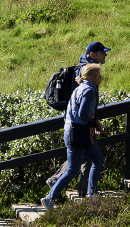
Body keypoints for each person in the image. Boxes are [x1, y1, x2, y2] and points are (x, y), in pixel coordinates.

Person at [46, 41, 111, 197]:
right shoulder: (86, 72)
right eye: (102, 52)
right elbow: (83, 104)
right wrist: (91, 124)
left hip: (78, 123)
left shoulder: (87, 70)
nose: (106, 55)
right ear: (92, 55)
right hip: (81, 124)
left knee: (83, 155)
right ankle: (85, 192)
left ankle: (63, 184)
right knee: (89, 157)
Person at [42, 63, 104, 208]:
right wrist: (94, 120)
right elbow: (83, 113)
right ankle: (49, 198)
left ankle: (92, 194)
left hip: (76, 132)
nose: (100, 78)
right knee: (73, 170)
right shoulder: (89, 90)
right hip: (77, 133)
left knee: (98, 159)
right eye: (98, 75)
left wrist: (93, 124)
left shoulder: (80, 87)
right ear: (90, 77)